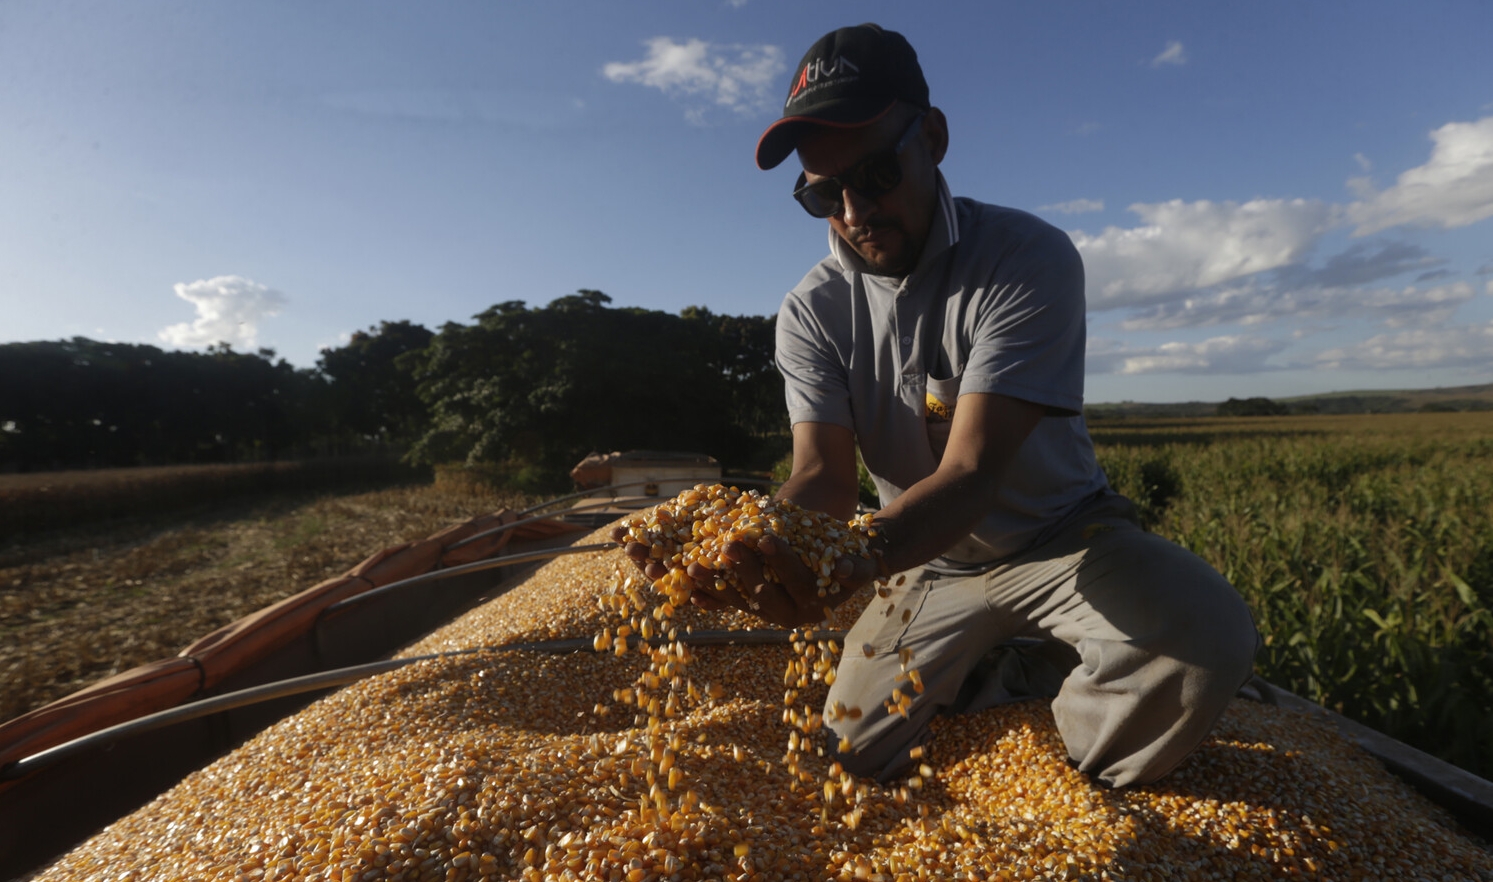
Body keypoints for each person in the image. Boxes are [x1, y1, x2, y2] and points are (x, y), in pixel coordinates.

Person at [620, 23, 1259, 789]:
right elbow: (820, 476)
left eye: (877, 173)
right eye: (822, 192)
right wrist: (754, 540)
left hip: (1060, 536)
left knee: (1202, 632)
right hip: (921, 562)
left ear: (932, 137)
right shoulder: (811, 312)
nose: (853, 210)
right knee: (848, 756)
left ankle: (1069, 785)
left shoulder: (1022, 259)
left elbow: (974, 469)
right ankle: (1009, 669)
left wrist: (853, 560)